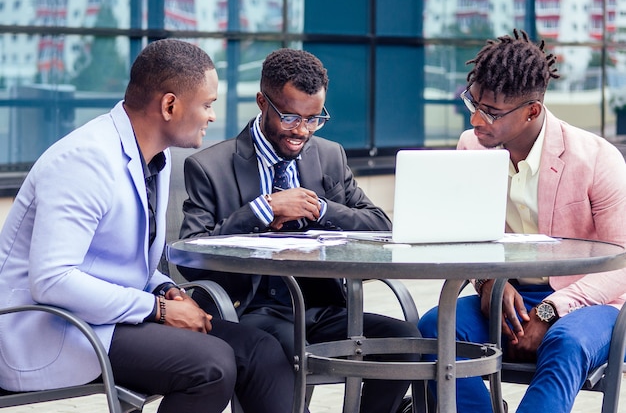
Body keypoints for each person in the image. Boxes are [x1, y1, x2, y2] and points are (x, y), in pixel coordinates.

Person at [0, 39, 301, 413]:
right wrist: (157, 309)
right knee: (211, 365)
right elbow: (52, 280)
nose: (211, 116)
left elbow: (125, 261)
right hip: (55, 329)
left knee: (260, 351)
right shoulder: (84, 161)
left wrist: (168, 290)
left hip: (110, 316)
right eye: (207, 105)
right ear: (169, 105)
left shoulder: (157, 158)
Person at [178, 47, 421, 413]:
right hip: (252, 311)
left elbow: (380, 225)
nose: (302, 131)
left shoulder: (329, 155)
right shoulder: (209, 166)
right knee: (271, 356)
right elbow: (190, 255)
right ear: (263, 102)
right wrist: (262, 209)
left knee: (406, 341)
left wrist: (320, 208)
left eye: (314, 118)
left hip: (320, 308)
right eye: (290, 118)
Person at [418, 29, 626, 413]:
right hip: (509, 298)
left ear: (532, 110)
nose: (477, 119)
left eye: (492, 112)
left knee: (565, 343)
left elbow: (622, 261)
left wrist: (552, 310)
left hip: (592, 303)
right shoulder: (471, 148)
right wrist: (487, 283)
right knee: (433, 330)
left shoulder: (597, 159)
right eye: (473, 102)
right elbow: (466, 238)